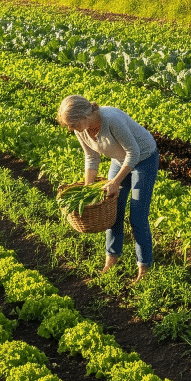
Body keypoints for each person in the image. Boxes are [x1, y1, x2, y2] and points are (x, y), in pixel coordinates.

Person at [58, 95, 159, 284]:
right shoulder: (82, 129)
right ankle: (111, 260)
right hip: (120, 160)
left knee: (137, 215)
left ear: (84, 116)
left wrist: (115, 182)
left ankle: (144, 267)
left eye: (72, 124)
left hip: (144, 159)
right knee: (113, 211)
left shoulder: (111, 119)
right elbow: (91, 157)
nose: (70, 129)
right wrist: (88, 190)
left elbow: (134, 152)